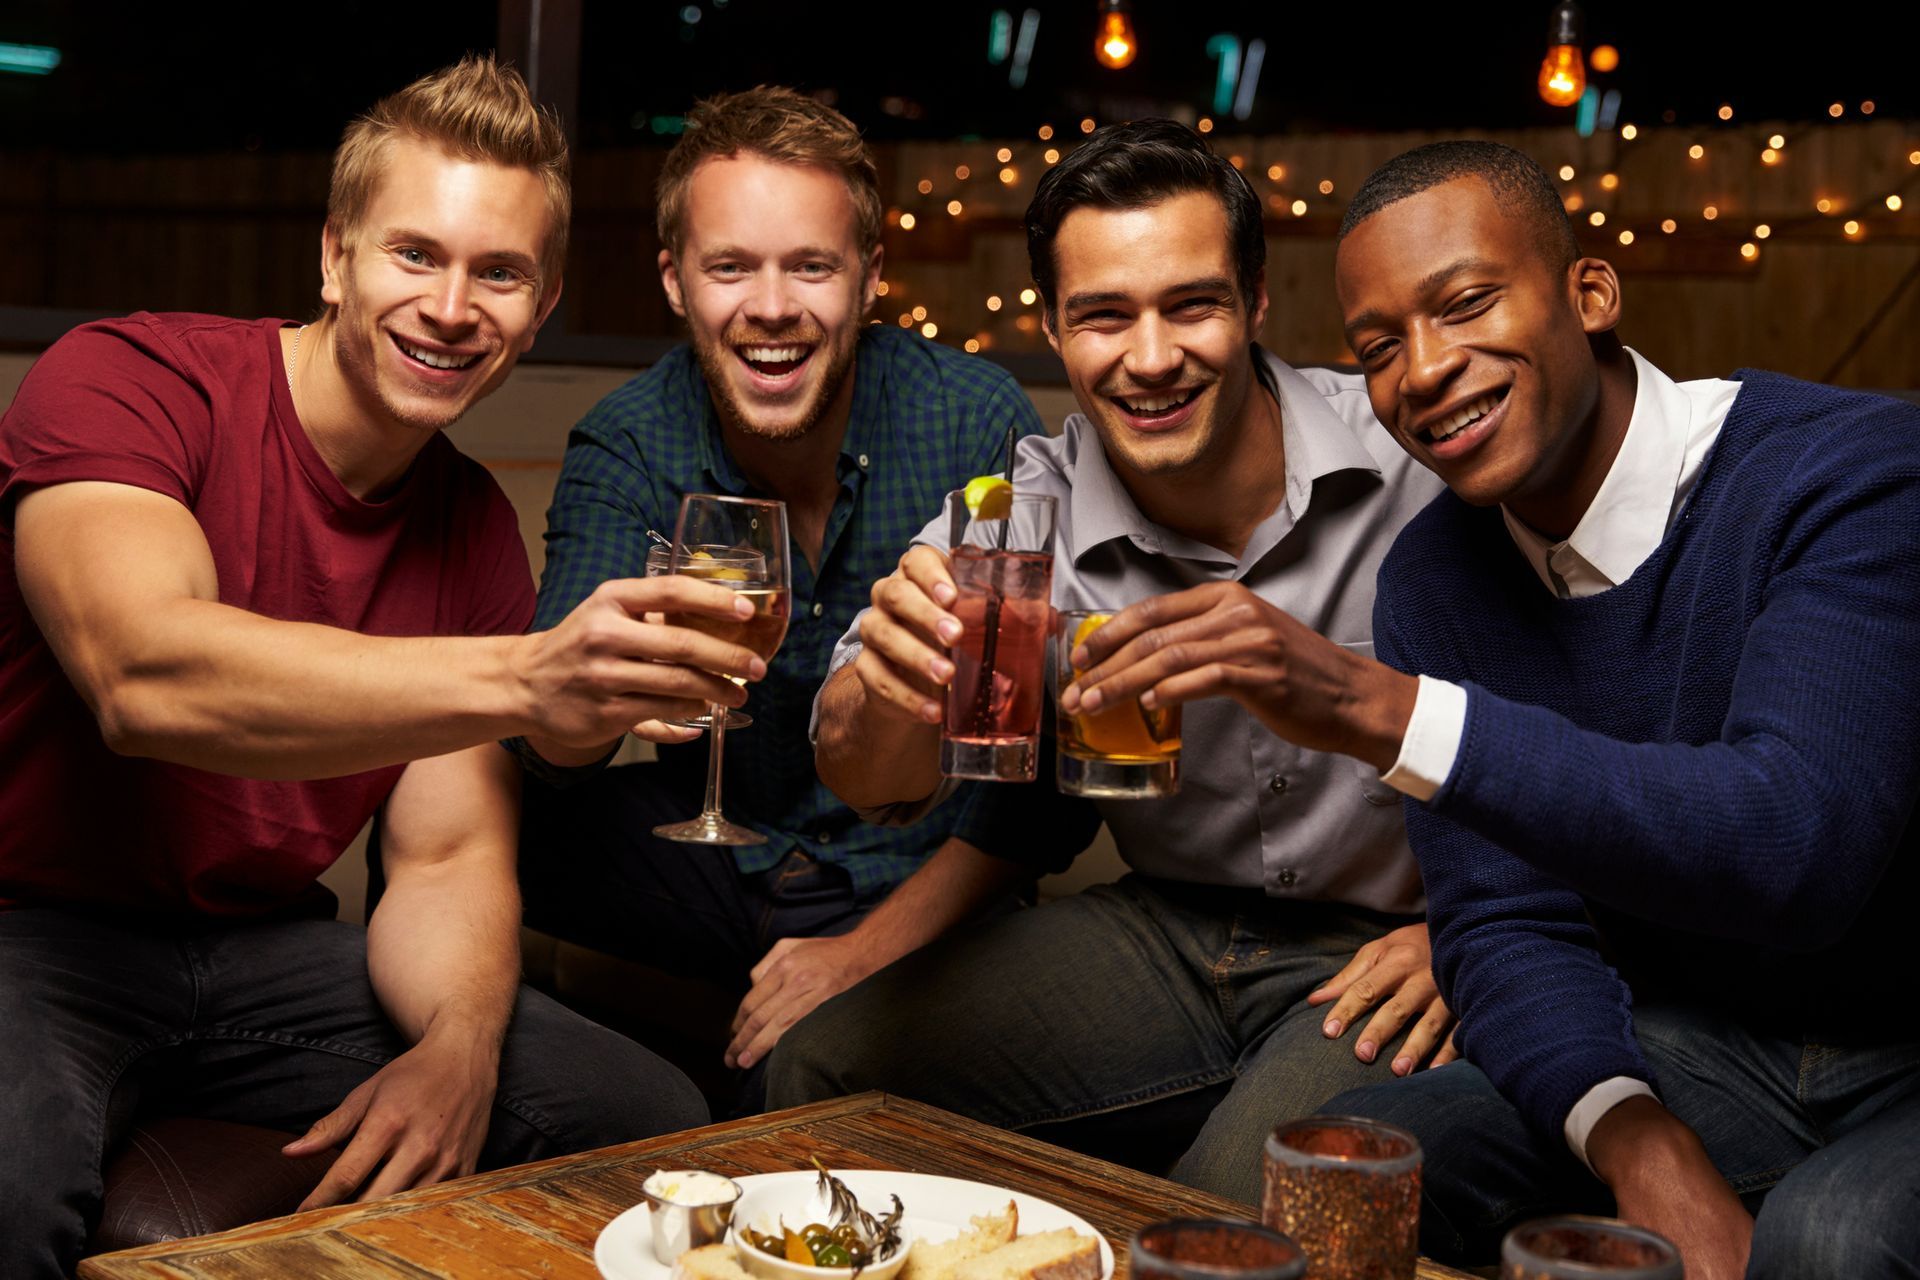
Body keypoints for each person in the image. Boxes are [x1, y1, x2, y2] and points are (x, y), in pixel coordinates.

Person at [1064, 140, 1920, 1278]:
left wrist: (1387, 709)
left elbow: (1794, 846)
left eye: (1465, 303)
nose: (1423, 369)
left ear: (1591, 293)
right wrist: (1635, 1134)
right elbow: (1508, 925)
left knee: (1830, 1239)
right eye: (1378, 346)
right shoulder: (1437, 574)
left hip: (1903, 1040)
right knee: (1350, 1162)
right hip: (1710, 1039)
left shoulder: (1853, 472)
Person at [0, 57, 753, 1276]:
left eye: (498, 273)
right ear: (335, 256)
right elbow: (146, 676)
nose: (454, 307)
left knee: (643, 1117)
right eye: (416, 255)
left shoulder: (468, 526)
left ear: (542, 302)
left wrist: (457, 1045)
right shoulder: (132, 382)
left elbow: (448, 852)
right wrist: (525, 677)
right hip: (30, 931)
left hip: (259, 951)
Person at [765, 120, 1450, 1205]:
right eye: (1102, 315)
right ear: (1052, 325)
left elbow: (1603, 711)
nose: (1150, 356)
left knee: (1228, 1204)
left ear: (1256, 299)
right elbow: (862, 767)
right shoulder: (1017, 516)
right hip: (1165, 927)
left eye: (1191, 303)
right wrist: (889, 689)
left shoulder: (1413, 460)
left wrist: (1480, 934)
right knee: (822, 1067)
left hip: (1388, 944)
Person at [510, 86, 1043, 1077]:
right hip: (714, 851)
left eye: (811, 265)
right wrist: (598, 686)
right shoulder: (630, 439)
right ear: (676, 282)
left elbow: (1025, 781)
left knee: (807, 1057)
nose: (770, 307)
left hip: (909, 873)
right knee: (459, 816)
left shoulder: (974, 420)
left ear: (871, 277)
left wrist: (862, 954)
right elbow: (549, 741)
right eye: (730, 267)